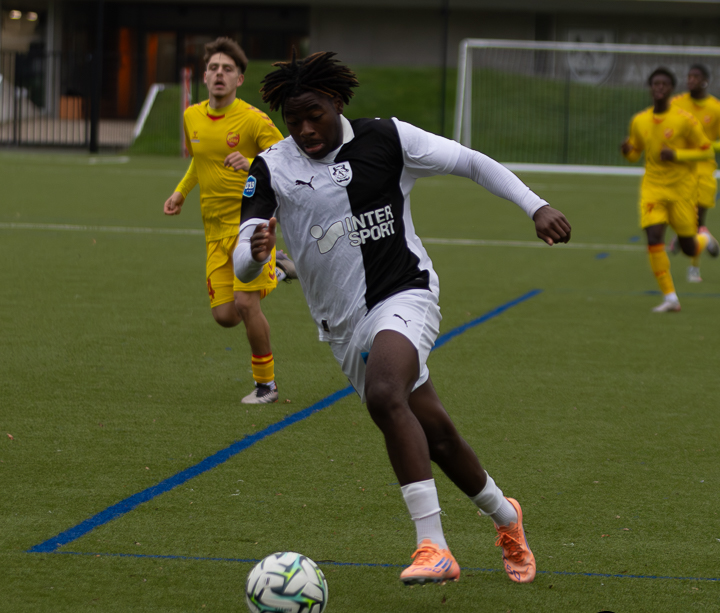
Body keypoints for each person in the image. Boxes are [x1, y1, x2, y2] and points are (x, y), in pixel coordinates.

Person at [235, 51, 573, 585]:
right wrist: (255, 250)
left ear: (337, 102)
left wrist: (535, 206)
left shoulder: (388, 138)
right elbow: (241, 254)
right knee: (435, 433)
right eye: (293, 120)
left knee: (386, 394)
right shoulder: (272, 166)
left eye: (314, 115)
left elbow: (471, 161)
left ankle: (432, 546)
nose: (304, 129)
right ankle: (507, 517)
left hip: (404, 293)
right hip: (342, 327)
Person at [163, 37, 286, 404]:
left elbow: (285, 162)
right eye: (214, 68)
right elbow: (200, 161)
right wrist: (181, 192)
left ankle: (267, 385)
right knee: (225, 316)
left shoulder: (252, 120)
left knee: (248, 306)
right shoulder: (192, 117)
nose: (219, 74)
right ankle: (277, 271)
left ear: (239, 80)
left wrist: (250, 165)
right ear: (204, 76)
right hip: (214, 231)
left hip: (252, 226)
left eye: (227, 69)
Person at [622, 67, 716, 311]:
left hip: (682, 192)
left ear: (671, 89)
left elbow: (706, 150)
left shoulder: (684, 120)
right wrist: (628, 151)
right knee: (653, 237)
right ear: (650, 88)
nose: (659, 87)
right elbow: (634, 154)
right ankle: (670, 297)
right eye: (655, 83)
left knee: (688, 247)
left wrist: (677, 154)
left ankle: (703, 239)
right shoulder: (639, 120)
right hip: (653, 190)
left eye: (664, 84)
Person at [669, 64, 720, 282]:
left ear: (705, 81)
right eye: (688, 76)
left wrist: (706, 146)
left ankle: (693, 267)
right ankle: (705, 240)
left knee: (697, 219)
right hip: (681, 167)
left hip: (704, 168)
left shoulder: (715, 108)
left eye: (695, 77)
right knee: (685, 216)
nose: (690, 80)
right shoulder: (677, 103)